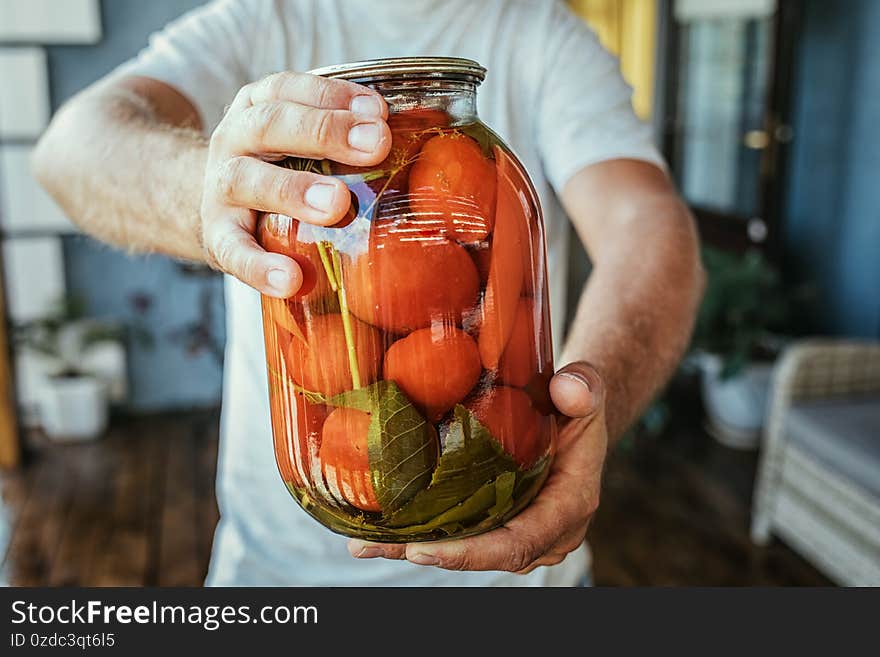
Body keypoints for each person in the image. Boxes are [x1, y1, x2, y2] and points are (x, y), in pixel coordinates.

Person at [33, 0, 703, 586]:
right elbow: (71, 147)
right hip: (282, 576)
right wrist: (210, 193)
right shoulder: (262, 17)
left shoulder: (544, 34)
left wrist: (595, 399)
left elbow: (647, 226)